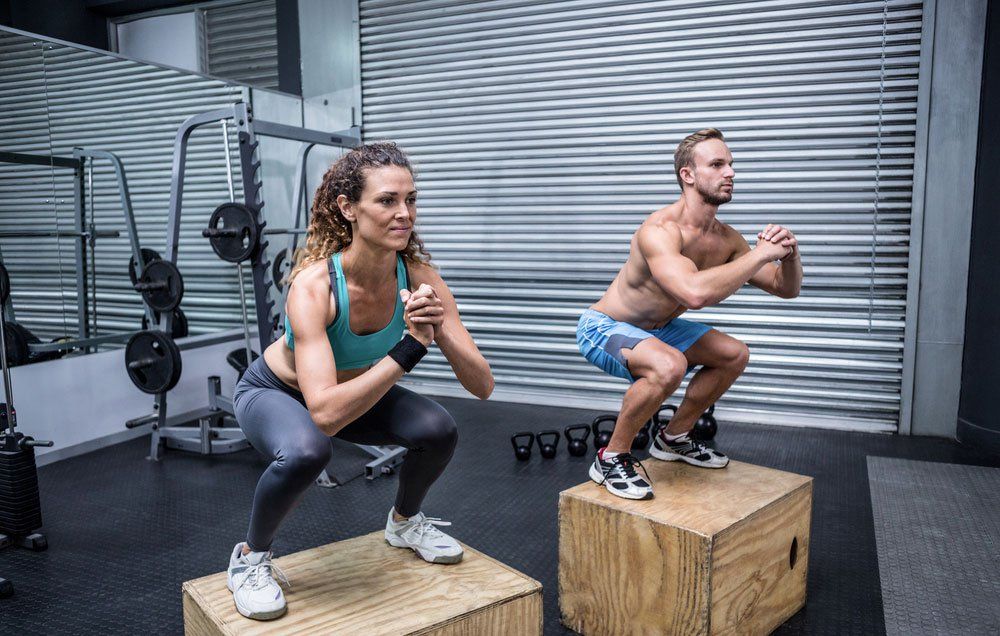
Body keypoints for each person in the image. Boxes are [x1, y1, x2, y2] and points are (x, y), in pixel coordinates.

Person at [226, 142, 494, 620]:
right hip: (274, 392)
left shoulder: (418, 274)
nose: (404, 213)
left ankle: (404, 524)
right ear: (348, 208)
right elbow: (324, 416)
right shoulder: (315, 287)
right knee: (308, 451)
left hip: (351, 393)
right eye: (387, 200)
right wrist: (411, 346)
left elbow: (482, 385)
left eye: (411, 200)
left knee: (438, 429)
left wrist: (440, 331)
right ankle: (250, 560)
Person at [577, 128, 802, 500]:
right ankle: (611, 456)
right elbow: (693, 293)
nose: (730, 172)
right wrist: (760, 254)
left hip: (661, 328)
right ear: (688, 175)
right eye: (717, 164)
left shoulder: (728, 240)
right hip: (605, 327)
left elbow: (785, 288)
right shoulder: (660, 230)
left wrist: (790, 256)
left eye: (731, 164)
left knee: (734, 355)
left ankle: (673, 438)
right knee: (669, 365)